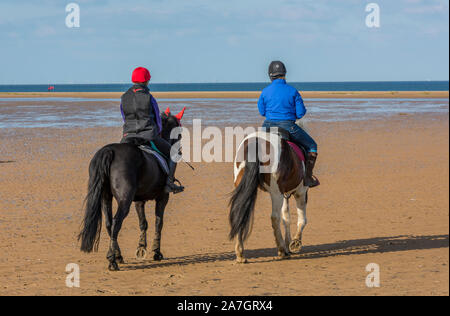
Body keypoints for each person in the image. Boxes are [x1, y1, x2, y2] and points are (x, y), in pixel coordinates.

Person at [120, 67, 184, 194]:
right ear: (147, 80)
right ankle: (169, 183)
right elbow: (158, 122)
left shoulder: (124, 98)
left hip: (127, 136)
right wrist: (158, 132)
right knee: (175, 154)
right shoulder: (149, 98)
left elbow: (124, 117)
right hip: (148, 135)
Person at [258, 61, 320, 188]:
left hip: (267, 126)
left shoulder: (265, 91)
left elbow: (262, 111)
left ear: (270, 76)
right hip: (288, 126)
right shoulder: (293, 91)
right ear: (284, 74)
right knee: (312, 146)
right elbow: (301, 113)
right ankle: (308, 178)